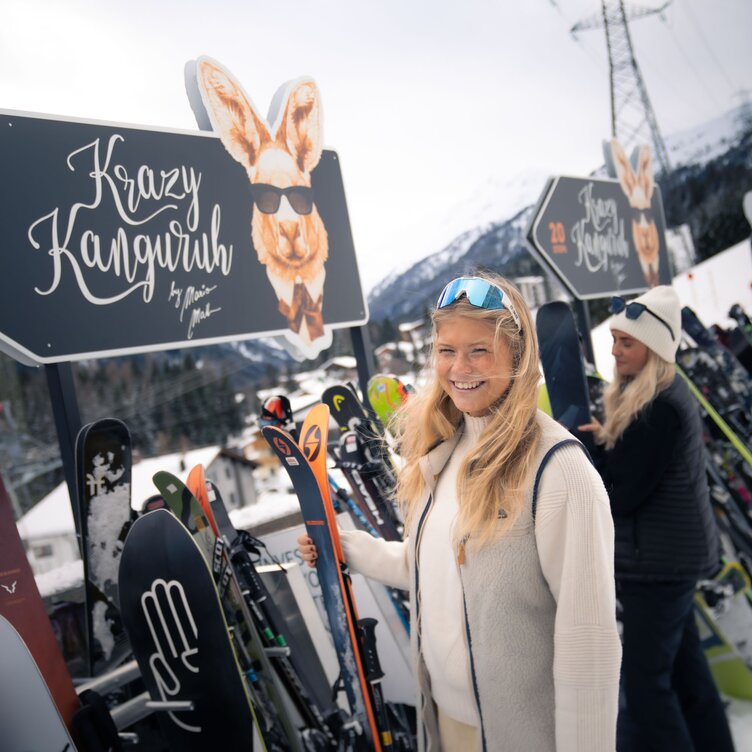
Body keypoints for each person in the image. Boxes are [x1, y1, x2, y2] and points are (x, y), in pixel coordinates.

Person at [298, 273, 621, 751]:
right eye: (447, 350)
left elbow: (588, 646)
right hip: (448, 727)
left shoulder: (558, 472)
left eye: (479, 350)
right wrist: (342, 546)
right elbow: (430, 567)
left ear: (517, 355)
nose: (458, 367)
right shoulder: (444, 452)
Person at [578, 285, 735, 752]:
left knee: (646, 688)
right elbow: (636, 467)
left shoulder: (658, 407)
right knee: (687, 677)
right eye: (615, 340)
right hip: (671, 559)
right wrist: (606, 442)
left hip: (659, 566)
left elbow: (623, 495)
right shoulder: (656, 395)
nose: (615, 350)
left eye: (627, 342)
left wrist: (590, 455)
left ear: (654, 347)